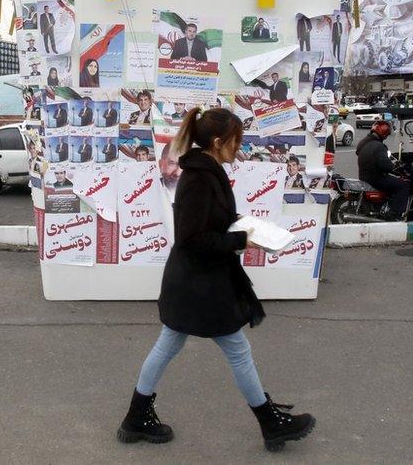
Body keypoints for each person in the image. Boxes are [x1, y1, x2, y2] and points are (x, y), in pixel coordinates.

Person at [117, 107, 315, 452]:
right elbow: (191, 239)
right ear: (219, 142)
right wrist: (241, 240)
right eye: (237, 141)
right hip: (200, 285)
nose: (239, 148)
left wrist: (241, 223)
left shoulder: (208, 172)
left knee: (171, 343)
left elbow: (209, 221)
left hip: (195, 282)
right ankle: (270, 423)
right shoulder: (199, 178)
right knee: (237, 350)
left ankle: (136, 417)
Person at [356, 121, 408, 221]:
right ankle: (394, 215)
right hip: (375, 178)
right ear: (383, 134)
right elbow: (385, 165)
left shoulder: (364, 142)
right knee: (403, 185)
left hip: (364, 175)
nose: (386, 137)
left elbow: (358, 152)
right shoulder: (379, 146)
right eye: (386, 135)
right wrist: (394, 168)